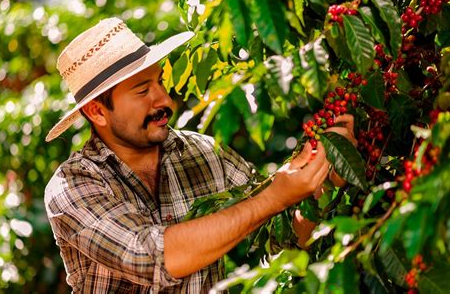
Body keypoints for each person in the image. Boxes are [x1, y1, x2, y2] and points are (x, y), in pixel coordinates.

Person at [44, 17, 356, 293]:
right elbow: (152, 258)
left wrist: (325, 180)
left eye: (161, 82)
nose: (164, 100)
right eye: (142, 91)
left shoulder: (203, 152)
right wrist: (276, 195)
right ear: (97, 111)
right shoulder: (73, 186)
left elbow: (281, 237)